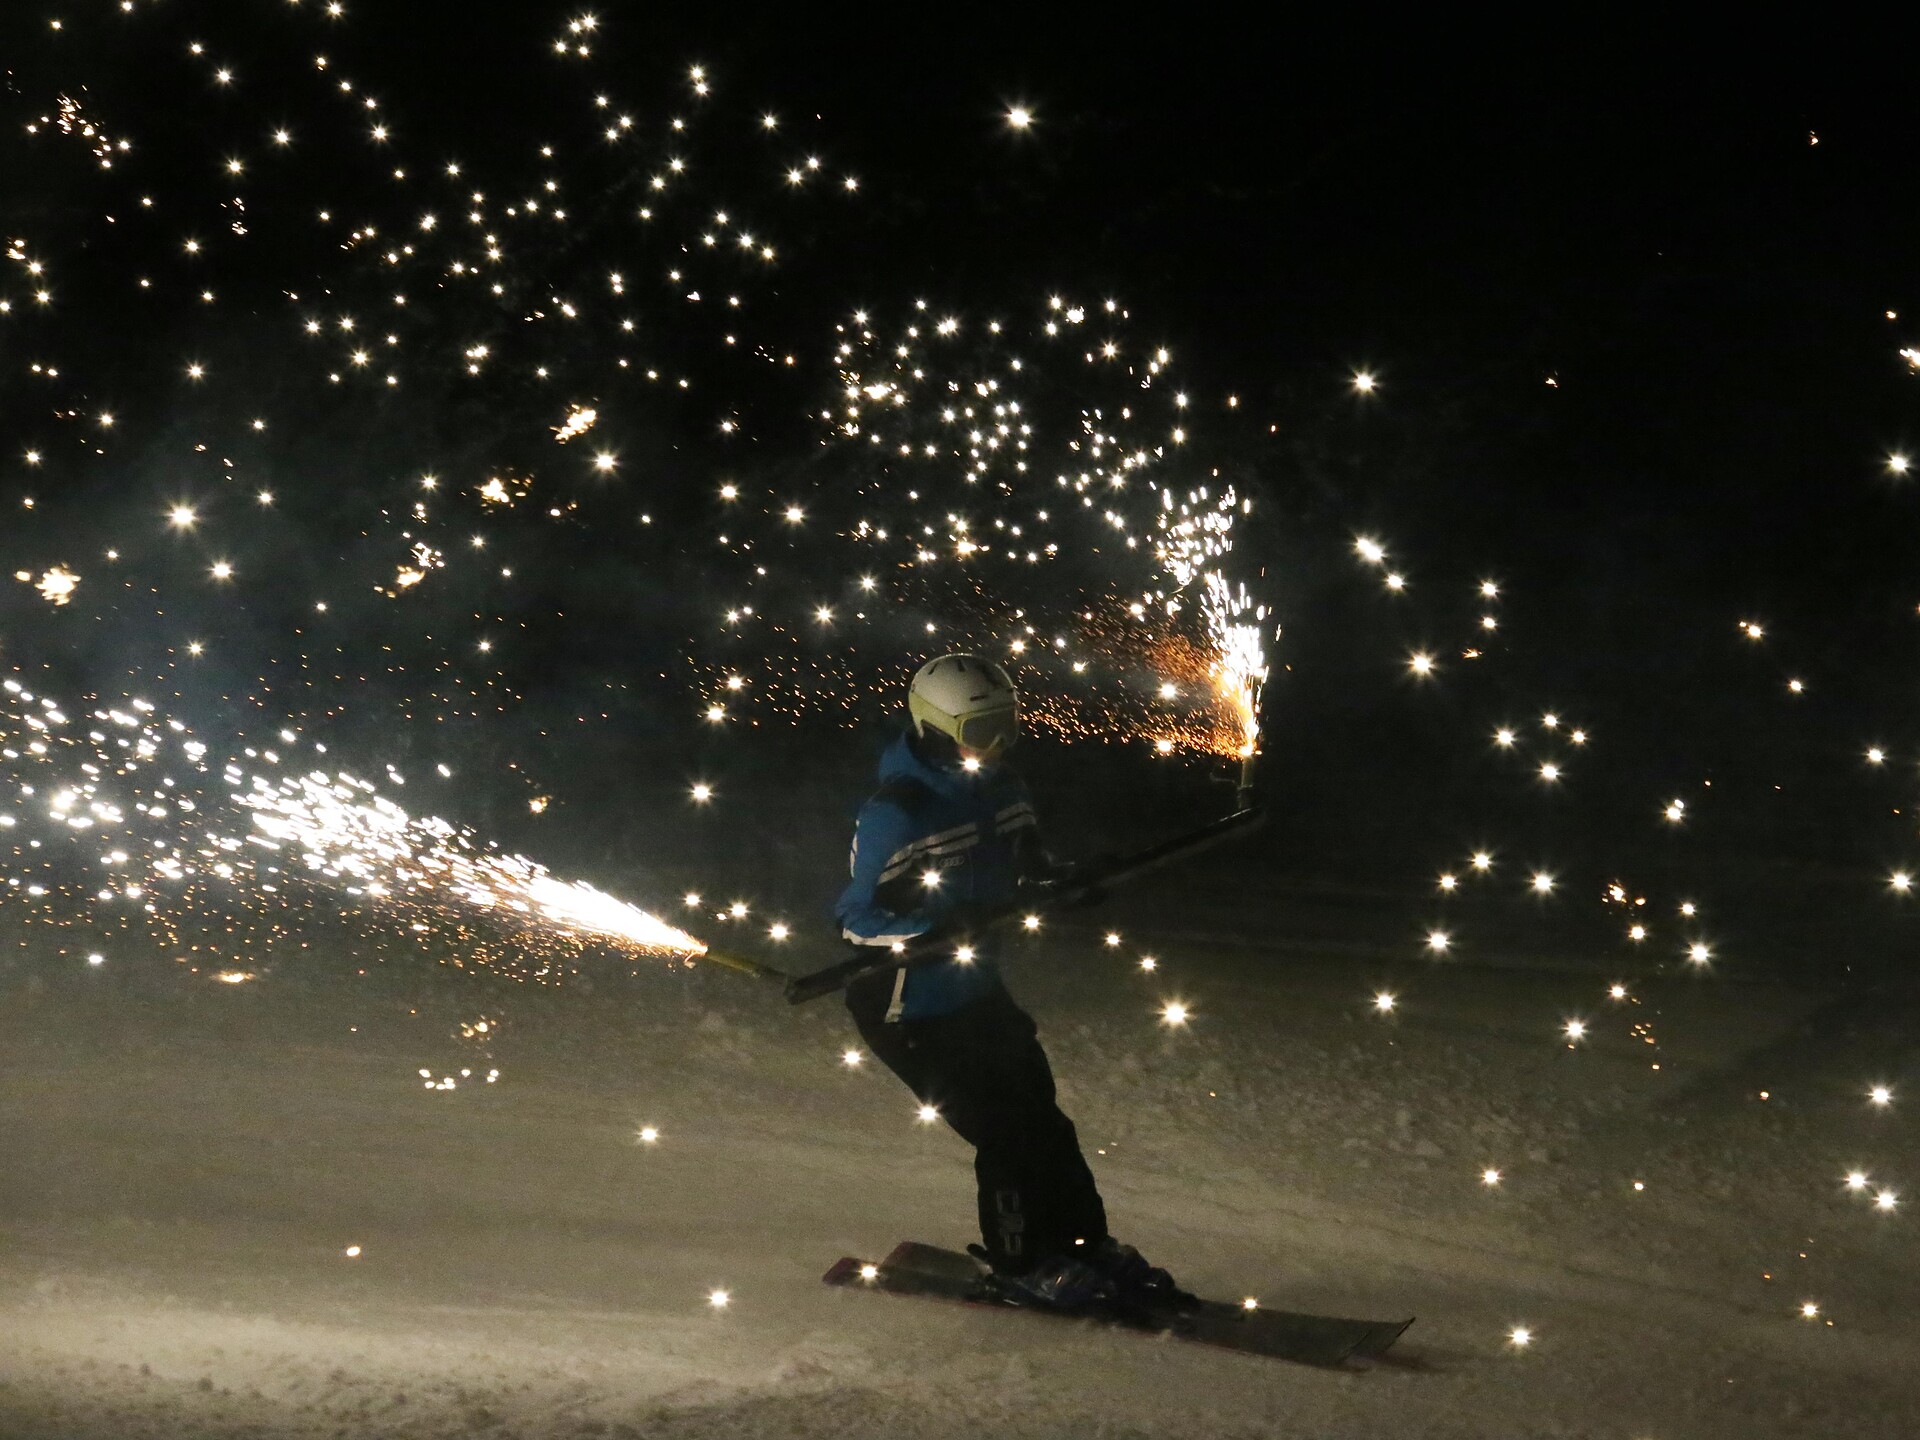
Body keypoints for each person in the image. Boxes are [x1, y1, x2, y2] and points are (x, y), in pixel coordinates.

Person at [836, 653, 1192, 1314]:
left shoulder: (1005, 789)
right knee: (1005, 1132)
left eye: (1008, 725)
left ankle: (1084, 1247)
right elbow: (855, 922)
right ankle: (1021, 1264)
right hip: (904, 1007)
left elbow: (1028, 865)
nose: (996, 745)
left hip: (975, 993)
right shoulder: (899, 811)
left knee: (1047, 1125)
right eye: (981, 729)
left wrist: (1066, 881)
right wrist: (929, 928)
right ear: (936, 727)